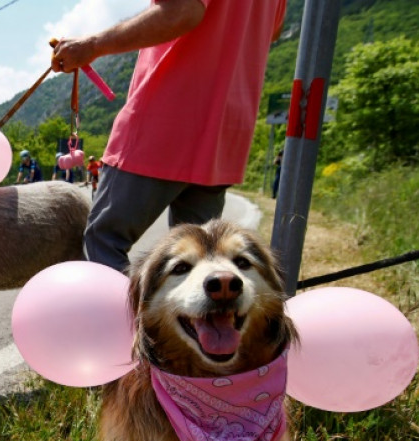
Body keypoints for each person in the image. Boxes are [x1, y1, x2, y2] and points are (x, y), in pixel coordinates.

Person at [51, 0, 286, 273]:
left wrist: (91, 45)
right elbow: (273, 31)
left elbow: (182, 12)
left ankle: (126, 315)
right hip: (227, 127)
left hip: (167, 115)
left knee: (104, 240)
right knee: (198, 260)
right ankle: (182, 316)